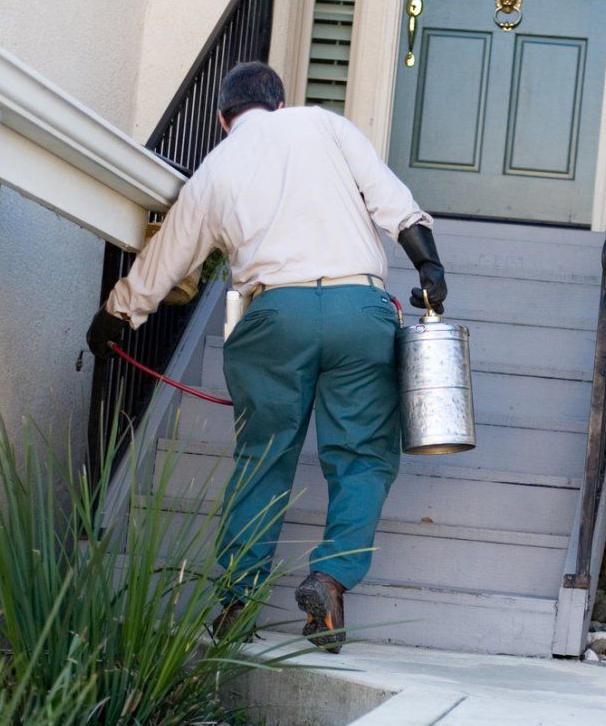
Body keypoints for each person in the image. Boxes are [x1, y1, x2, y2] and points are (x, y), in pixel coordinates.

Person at [86, 62, 446, 651]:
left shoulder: (216, 167)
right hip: (360, 309)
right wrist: (430, 265)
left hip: (273, 317)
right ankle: (329, 578)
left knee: (263, 460)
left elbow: (169, 255)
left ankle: (235, 604)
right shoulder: (323, 126)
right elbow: (391, 200)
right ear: (279, 104)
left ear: (224, 118)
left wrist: (117, 315)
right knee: (362, 458)